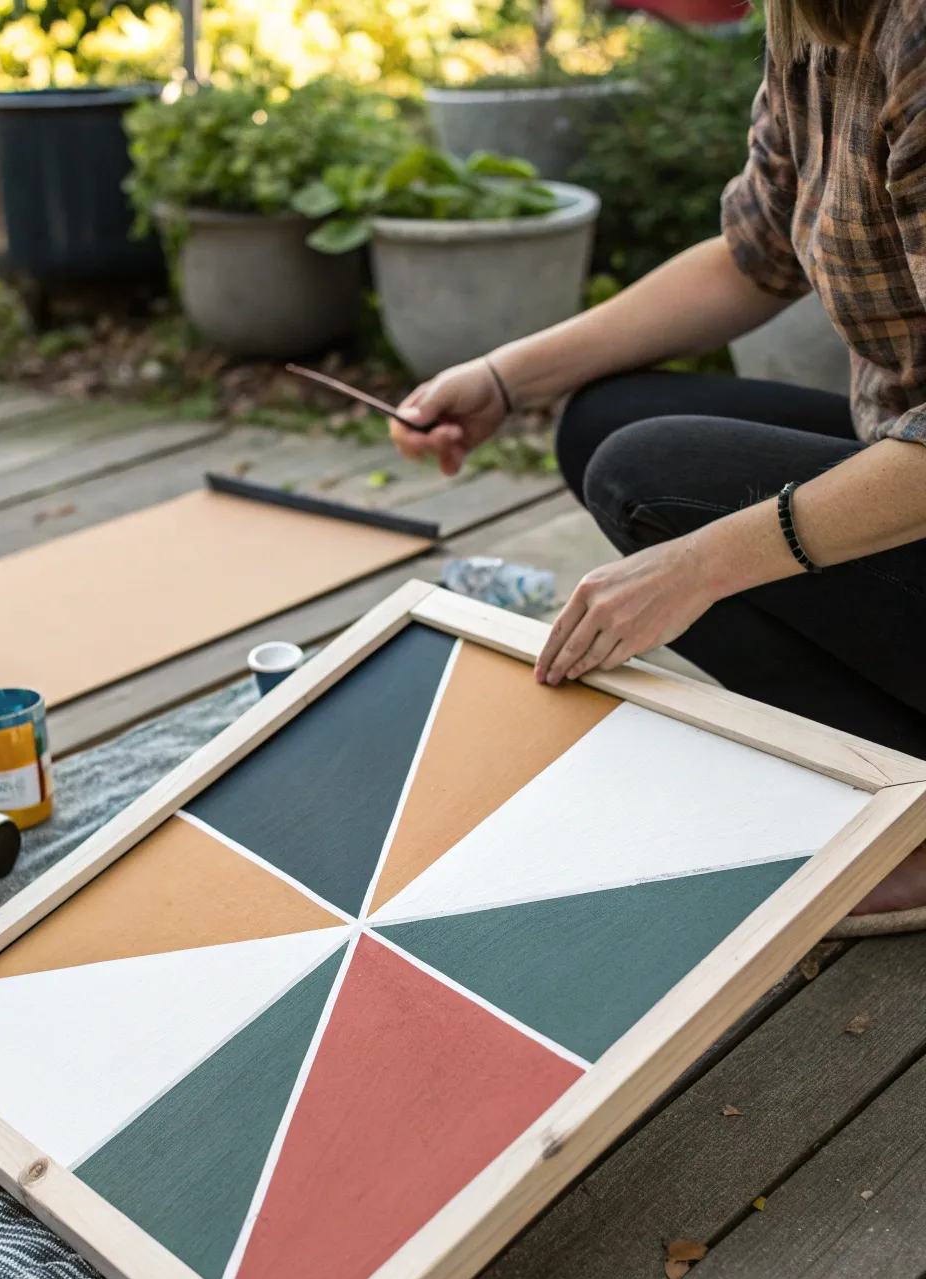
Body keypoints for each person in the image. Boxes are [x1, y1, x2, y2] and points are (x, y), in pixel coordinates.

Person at [389, 0, 926, 936]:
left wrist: (705, 563)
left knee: (651, 477)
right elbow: (752, 256)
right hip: (902, 451)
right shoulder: (812, 21)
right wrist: (507, 378)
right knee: (602, 425)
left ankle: (913, 811)